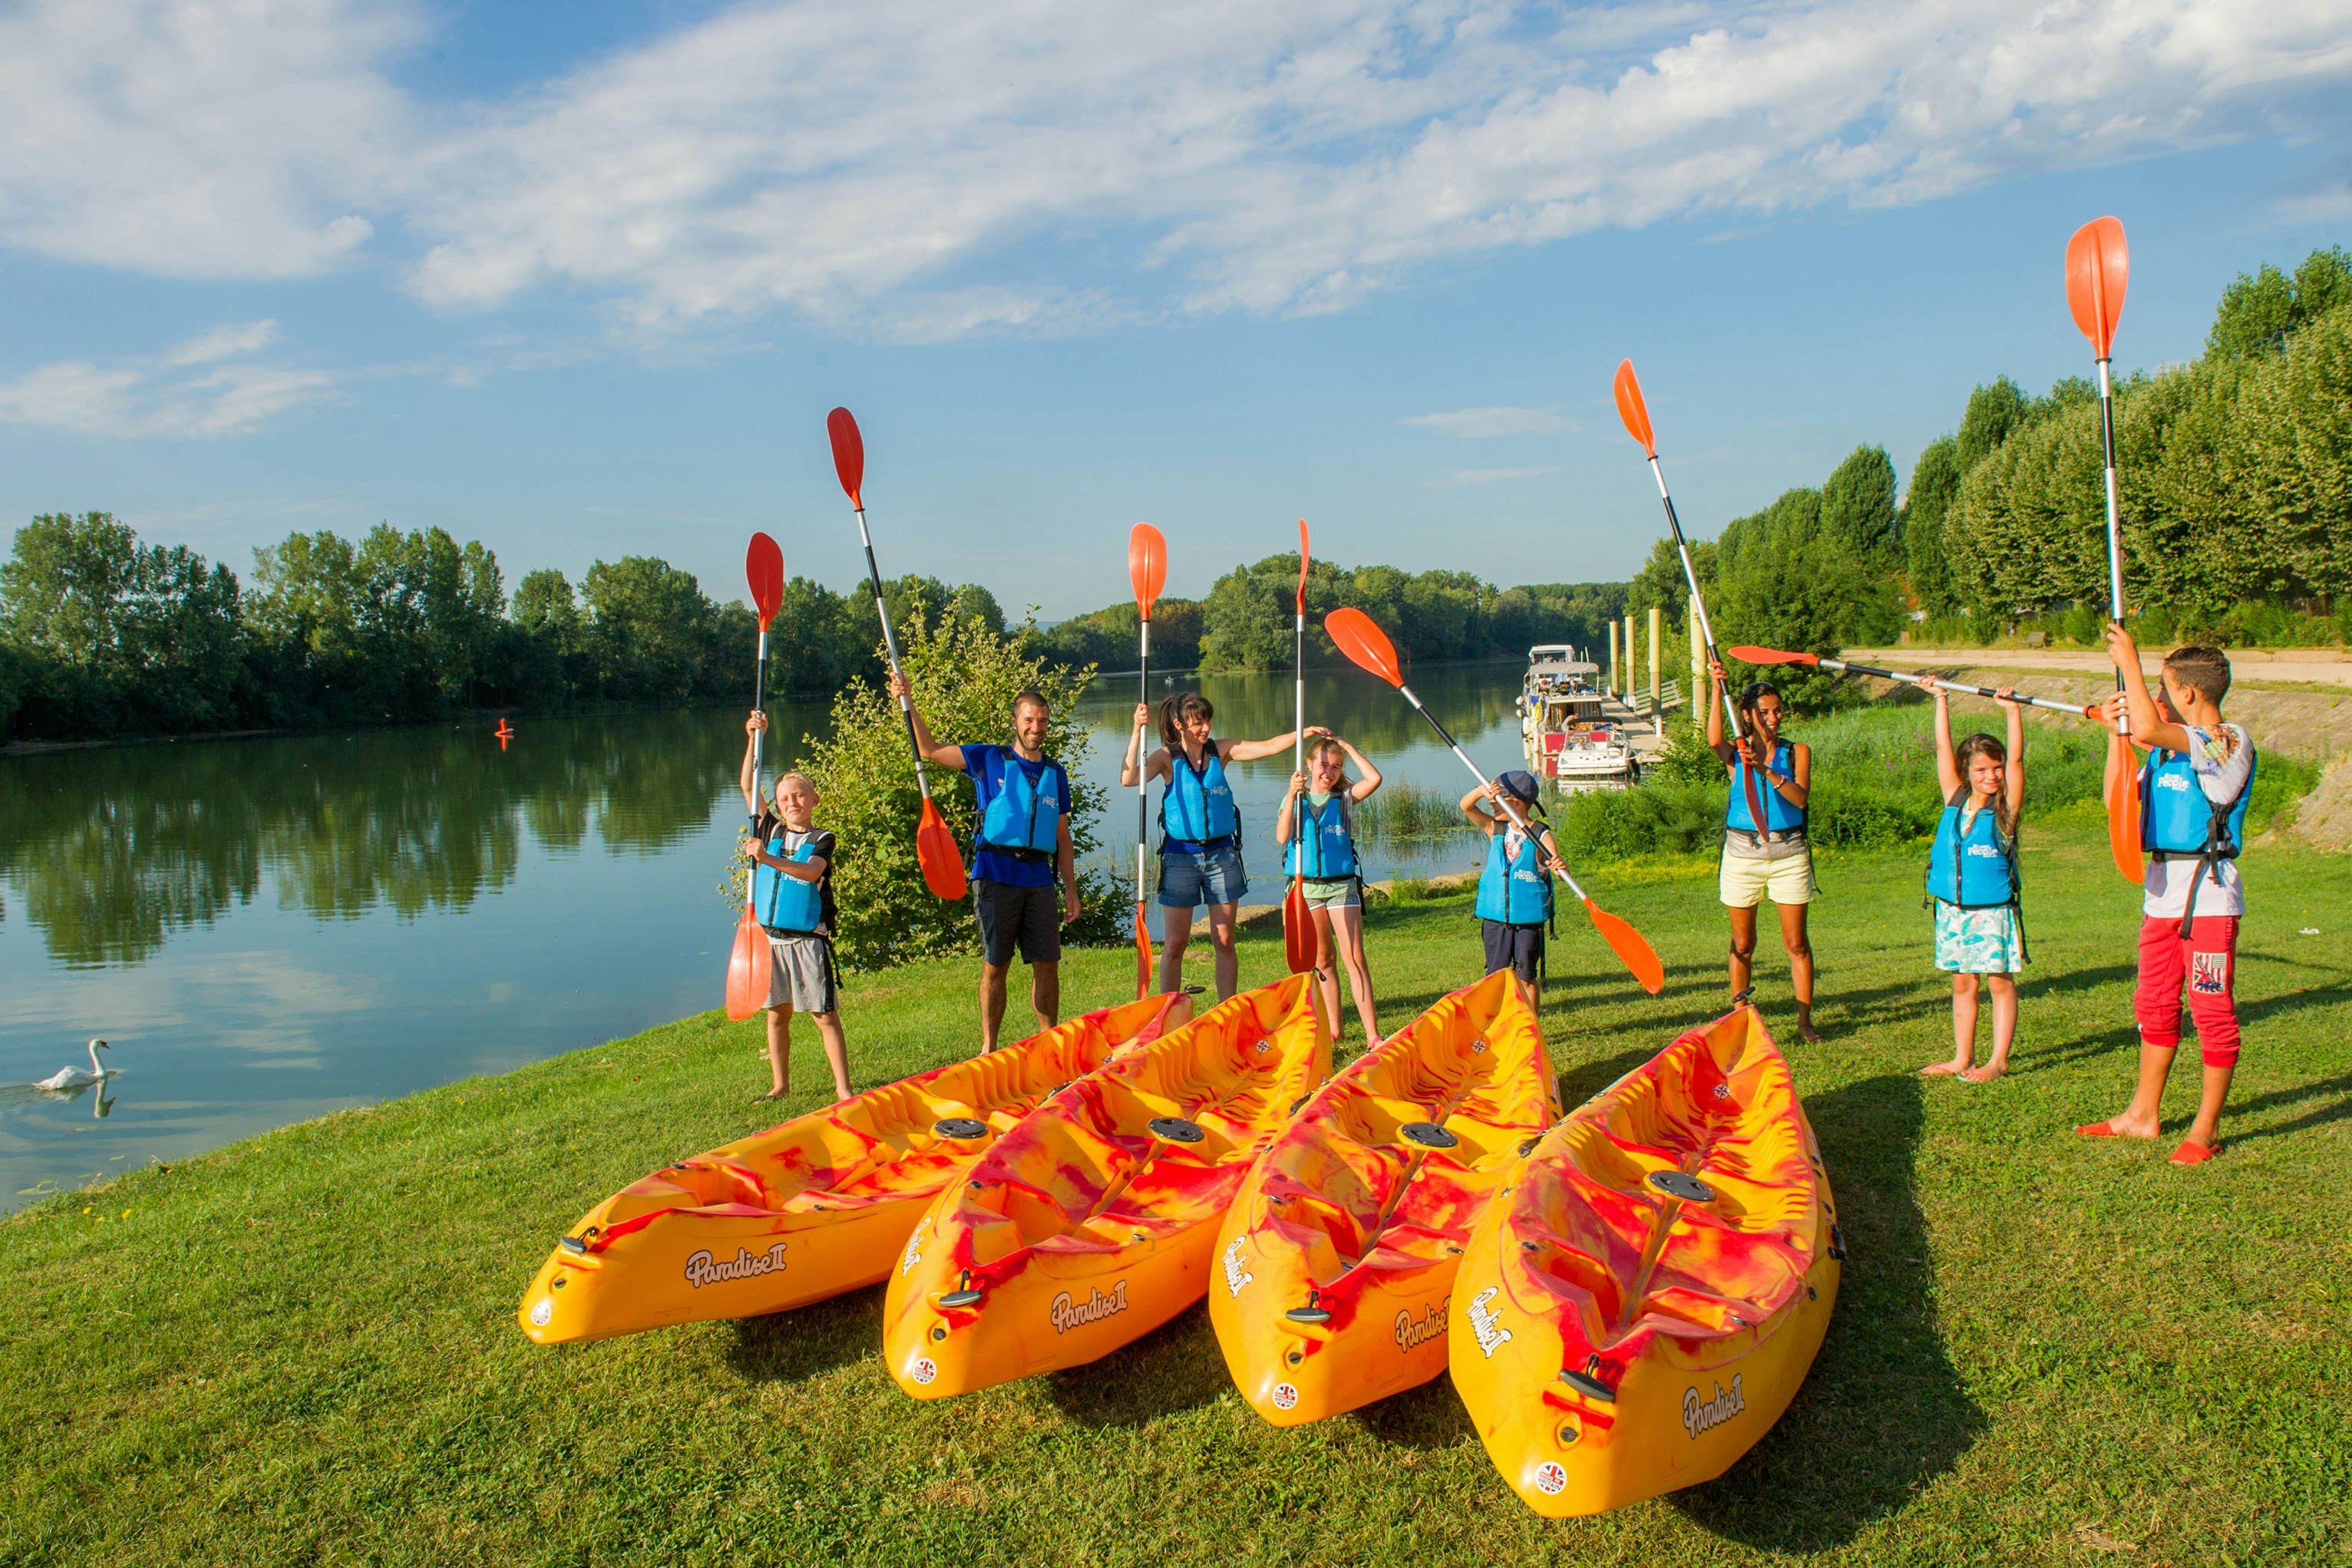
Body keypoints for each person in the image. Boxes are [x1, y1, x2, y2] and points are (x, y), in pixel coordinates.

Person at [2078, 631, 2255, 1164]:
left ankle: (2205, 1129)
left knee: (2211, 1011)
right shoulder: (2161, 753)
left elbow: (2153, 726)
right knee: (2153, 1006)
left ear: (2188, 694)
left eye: (2162, 687)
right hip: (2160, 898)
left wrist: (2127, 660)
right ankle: (2142, 1113)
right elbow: (2118, 799)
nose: (2155, 696)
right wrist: (2116, 735)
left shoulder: (2228, 740)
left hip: (2209, 901)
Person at [890, 674, 1079, 1052]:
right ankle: (989, 1048)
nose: (1036, 727)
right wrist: (906, 701)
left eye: (1042, 720)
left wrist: (1071, 891)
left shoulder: (1055, 774)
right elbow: (929, 750)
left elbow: (1062, 837)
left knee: (1047, 963)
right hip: (994, 874)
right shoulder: (988, 757)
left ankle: (1048, 1043)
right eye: (1028, 720)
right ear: (1015, 722)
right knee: (996, 965)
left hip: (1040, 878)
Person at [1121, 692, 1297, 1001]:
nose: (1206, 728)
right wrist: (1137, 730)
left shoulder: (1221, 750)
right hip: (1181, 858)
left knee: (1225, 939)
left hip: (1222, 856)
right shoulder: (1165, 758)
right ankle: (1168, 1012)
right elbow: (1129, 778)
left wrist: (1303, 732)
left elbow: (1268, 747)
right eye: (1198, 722)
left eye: (1208, 721)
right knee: (1175, 943)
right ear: (1179, 725)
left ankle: (1226, 1010)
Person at [1918, 681, 2027, 1082]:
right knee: (1963, 984)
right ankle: (1962, 1057)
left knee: (1999, 983)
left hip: (1992, 913)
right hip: (1953, 911)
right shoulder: (1954, 797)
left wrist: (2012, 711)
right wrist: (1940, 699)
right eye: (1981, 769)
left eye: (1995, 769)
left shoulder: (2006, 809)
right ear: (1967, 773)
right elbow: (1943, 748)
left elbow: (2016, 760)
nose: (1992, 776)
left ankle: (1997, 1060)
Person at [740, 713, 851, 1102]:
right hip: (770, 940)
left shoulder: (823, 838)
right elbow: (747, 785)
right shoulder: (769, 828)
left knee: (824, 1016)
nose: (792, 803)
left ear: (814, 800)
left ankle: (843, 1089)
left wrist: (765, 859)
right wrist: (755, 737)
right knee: (777, 1015)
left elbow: (809, 873)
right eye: (785, 798)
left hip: (808, 942)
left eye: (800, 795)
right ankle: (780, 1085)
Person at [1707, 662, 1821, 1041]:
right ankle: (1739, 1020)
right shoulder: (1736, 754)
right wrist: (1714, 686)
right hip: (1743, 856)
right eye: (1765, 712)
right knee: (1743, 944)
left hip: (1789, 856)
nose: (1774, 718)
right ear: (1748, 715)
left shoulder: (1796, 751)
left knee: (1797, 944)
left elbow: (1800, 799)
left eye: (1777, 710)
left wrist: (1768, 772)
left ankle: (1804, 1023)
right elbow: (1713, 741)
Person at [1274, 729, 1384, 1044]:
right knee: (1324, 961)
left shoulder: (1345, 798)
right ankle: (1336, 1029)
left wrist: (1347, 746)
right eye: (1323, 765)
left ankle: (1373, 1035)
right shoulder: (1295, 797)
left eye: (1336, 766)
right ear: (1309, 764)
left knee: (1355, 959)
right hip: (1307, 890)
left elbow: (1374, 779)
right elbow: (1282, 837)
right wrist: (1291, 793)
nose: (1329, 772)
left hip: (1341, 888)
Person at [1460, 771, 1561, 1010]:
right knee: (1495, 977)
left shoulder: (1541, 835)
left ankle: (1531, 1028)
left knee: (1526, 977)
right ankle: (1498, 1024)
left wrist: (1557, 865)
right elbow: (1466, 805)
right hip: (1496, 919)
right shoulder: (1495, 828)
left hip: (1527, 920)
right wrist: (1482, 790)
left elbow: (1553, 861)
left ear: (1514, 802)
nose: (1491, 803)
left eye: (1497, 799)